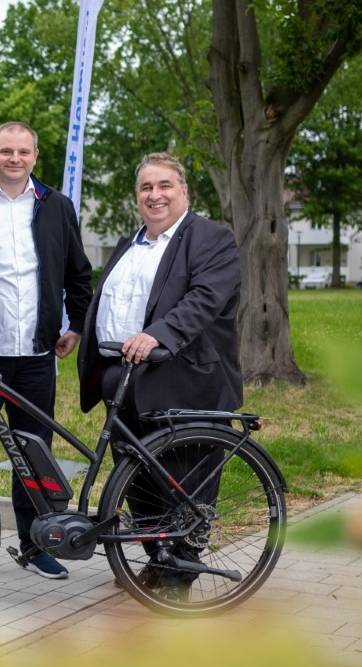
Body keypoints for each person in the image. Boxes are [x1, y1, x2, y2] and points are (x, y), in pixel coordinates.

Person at [76, 152, 241, 596]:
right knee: (139, 483)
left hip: (185, 379)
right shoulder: (131, 242)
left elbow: (205, 299)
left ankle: (180, 575)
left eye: (165, 185)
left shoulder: (211, 238)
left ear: (184, 191)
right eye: (146, 188)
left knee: (182, 483)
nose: (155, 195)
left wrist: (157, 334)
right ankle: (157, 561)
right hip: (125, 379)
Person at [0, 122, 93, 580]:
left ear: (36, 156)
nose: (15, 159)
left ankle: (36, 545)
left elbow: (78, 274)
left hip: (37, 355)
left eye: (24, 152)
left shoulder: (57, 207)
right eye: (6, 151)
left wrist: (75, 327)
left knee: (33, 453)